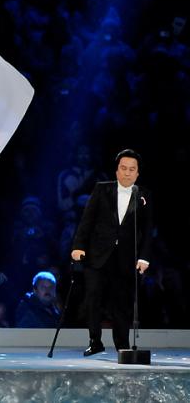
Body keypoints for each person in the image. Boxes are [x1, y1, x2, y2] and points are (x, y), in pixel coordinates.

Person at [71, 149, 153, 356]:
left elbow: (147, 229)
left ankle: (122, 345)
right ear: (117, 171)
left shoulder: (143, 195)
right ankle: (95, 341)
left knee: (122, 303)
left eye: (131, 170)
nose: (127, 173)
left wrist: (144, 257)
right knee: (93, 298)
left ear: (137, 174)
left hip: (125, 259)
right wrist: (78, 246)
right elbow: (86, 220)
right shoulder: (101, 189)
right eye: (123, 168)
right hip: (97, 255)